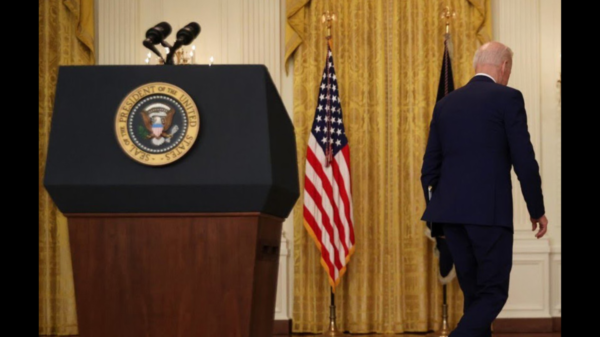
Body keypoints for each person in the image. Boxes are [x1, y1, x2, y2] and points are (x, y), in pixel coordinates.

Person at [420, 41, 548, 337]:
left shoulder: (445, 104)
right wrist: (536, 209)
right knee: (493, 293)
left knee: (475, 296)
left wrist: (440, 209)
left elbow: (429, 168)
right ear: (504, 66)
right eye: (509, 70)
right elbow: (524, 161)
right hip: (489, 215)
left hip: (451, 217)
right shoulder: (508, 98)